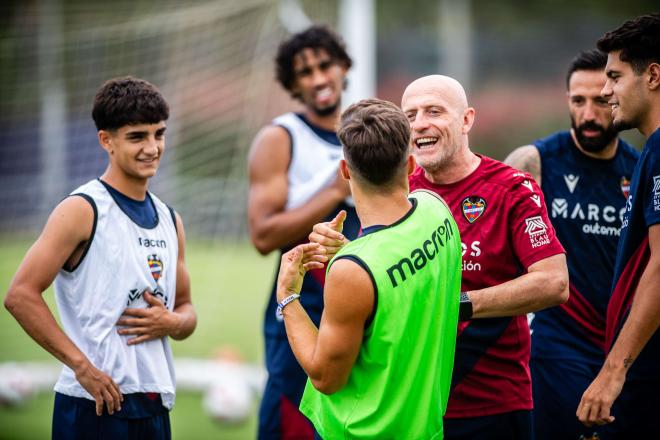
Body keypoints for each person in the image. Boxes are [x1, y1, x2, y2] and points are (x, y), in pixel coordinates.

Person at [311, 75, 569, 439]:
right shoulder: (398, 188)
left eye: (434, 111)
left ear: (467, 120)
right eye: (410, 115)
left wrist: (453, 304)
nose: (420, 123)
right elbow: (380, 275)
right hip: (409, 402)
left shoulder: (512, 188)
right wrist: (342, 251)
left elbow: (553, 283)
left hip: (490, 401)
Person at [4, 76, 196, 439]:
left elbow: (187, 311)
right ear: (106, 140)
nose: (152, 147)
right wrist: (81, 367)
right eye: (137, 136)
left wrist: (170, 323)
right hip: (93, 404)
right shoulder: (82, 209)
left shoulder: (172, 220)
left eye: (159, 134)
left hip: (154, 405)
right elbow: (20, 296)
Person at [278, 98, 462, 438]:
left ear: (345, 170)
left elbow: (326, 378)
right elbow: (401, 283)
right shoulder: (436, 210)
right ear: (409, 165)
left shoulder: (354, 270)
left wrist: (288, 297)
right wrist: (354, 254)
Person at [504, 50, 639, 440]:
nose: (589, 113)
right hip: (555, 338)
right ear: (567, 101)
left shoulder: (640, 168)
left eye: (599, 100)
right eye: (578, 101)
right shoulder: (534, 162)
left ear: (614, 96)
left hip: (622, 343)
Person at [247, 25, 360, 439]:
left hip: (364, 298)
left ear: (343, 66)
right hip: (302, 300)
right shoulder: (281, 138)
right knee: (291, 422)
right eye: (304, 72)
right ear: (292, 83)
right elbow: (262, 235)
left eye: (324, 65)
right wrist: (333, 190)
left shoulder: (369, 129)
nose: (317, 78)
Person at [577, 14, 660, 437]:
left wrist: (613, 372)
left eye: (614, 76)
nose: (605, 90)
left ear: (653, 75)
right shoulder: (650, 149)